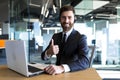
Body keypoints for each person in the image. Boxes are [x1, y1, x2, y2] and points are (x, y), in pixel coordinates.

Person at [41, 5, 89, 75]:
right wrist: (48, 52)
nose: (66, 21)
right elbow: (43, 57)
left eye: (69, 17)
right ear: (60, 19)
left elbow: (85, 61)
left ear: (74, 19)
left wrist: (62, 68)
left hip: (73, 75)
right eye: (63, 17)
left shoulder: (81, 38)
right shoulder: (56, 37)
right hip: (56, 75)